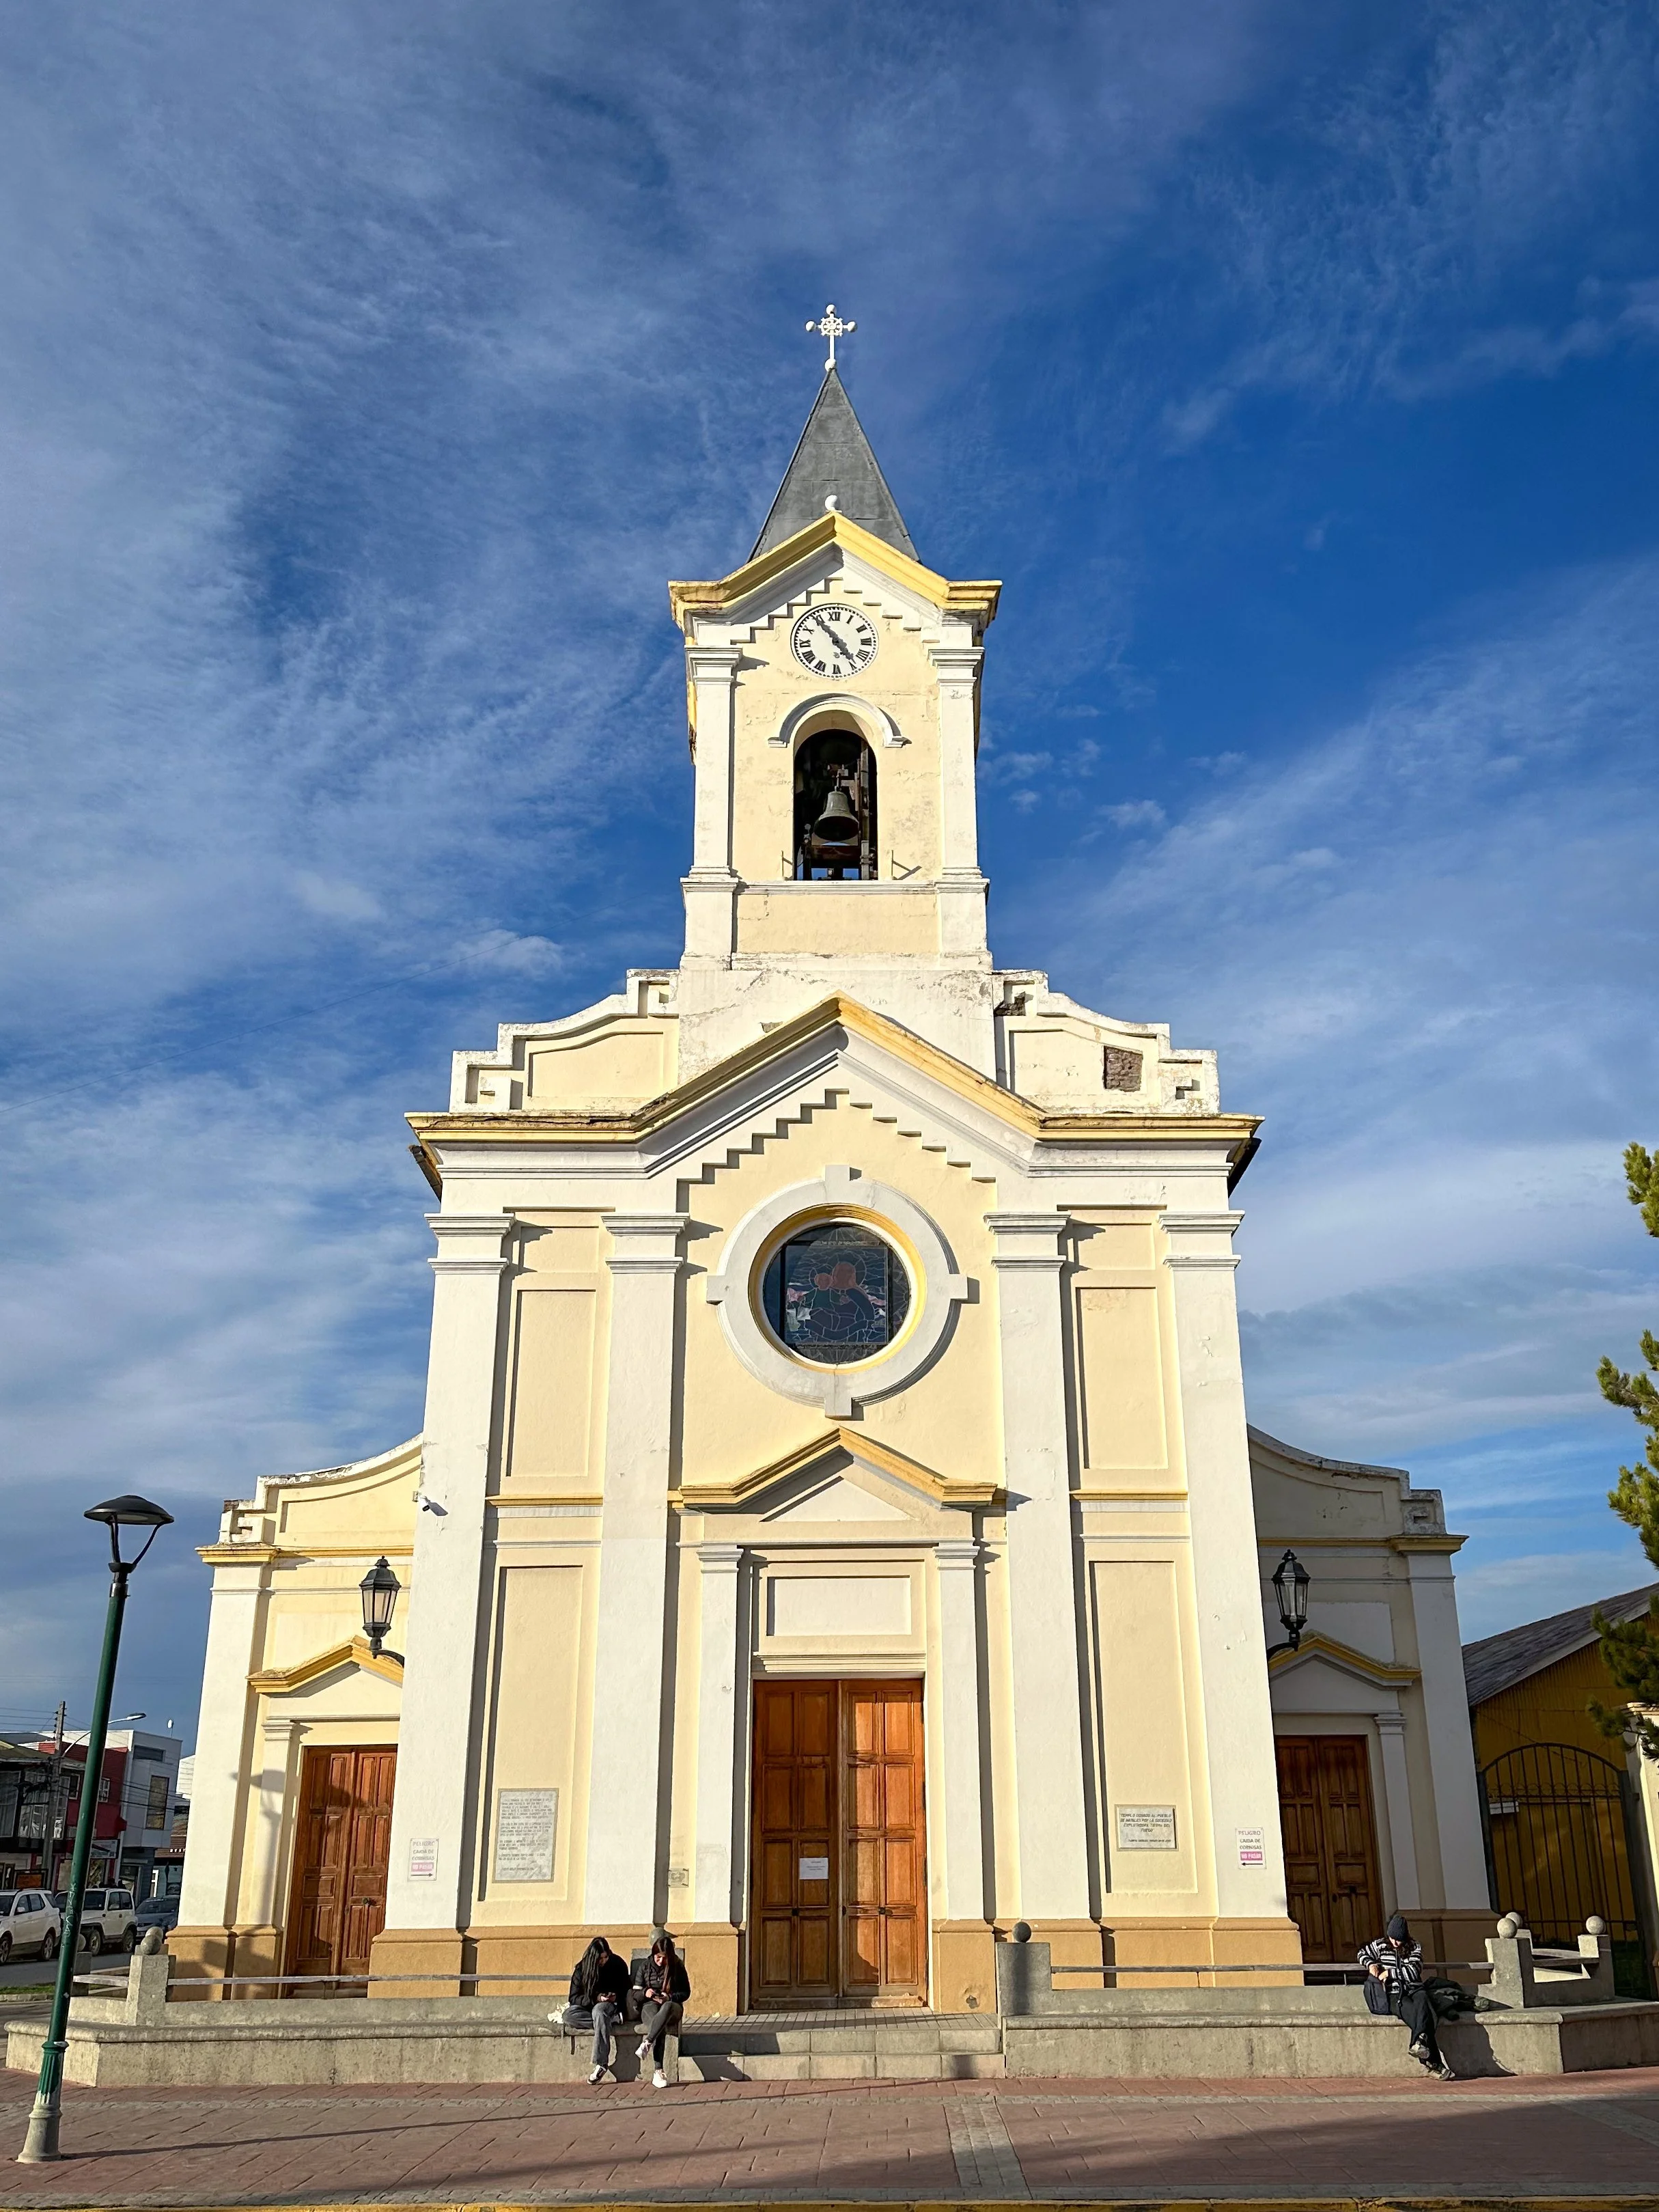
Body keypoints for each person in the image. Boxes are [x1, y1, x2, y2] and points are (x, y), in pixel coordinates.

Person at [1358, 1913, 1455, 2079]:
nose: (1395, 1943)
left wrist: (1390, 1973)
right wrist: (1371, 1964)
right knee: (1425, 2018)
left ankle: (1419, 2047)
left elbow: (1413, 1971)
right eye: (1392, 1938)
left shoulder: (1415, 1947)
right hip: (1395, 1995)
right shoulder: (1380, 1945)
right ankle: (1432, 2061)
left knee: (1424, 2002)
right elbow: (1361, 1953)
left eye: (1399, 1940)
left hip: (1416, 1989)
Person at [564, 1936, 632, 2084]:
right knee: (568, 2016)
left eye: (606, 1957)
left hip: (609, 2006)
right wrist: (596, 1998)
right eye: (600, 1958)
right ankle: (612, 2020)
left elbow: (627, 1989)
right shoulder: (582, 1969)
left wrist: (615, 1997)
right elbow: (574, 1998)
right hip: (589, 2006)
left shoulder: (617, 1964)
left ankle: (601, 2063)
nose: (604, 1961)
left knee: (600, 2012)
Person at [632, 1929, 691, 2090]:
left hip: (672, 2008)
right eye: (658, 1957)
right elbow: (635, 1994)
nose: (660, 1961)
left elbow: (686, 1992)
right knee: (659, 2026)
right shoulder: (645, 1967)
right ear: (653, 1954)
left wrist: (669, 1997)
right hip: (650, 2005)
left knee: (667, 2008)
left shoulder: (677, 1967)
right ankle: (659, 2071)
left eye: (664, 1959)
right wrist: (646, 1992)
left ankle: (648, 2042)